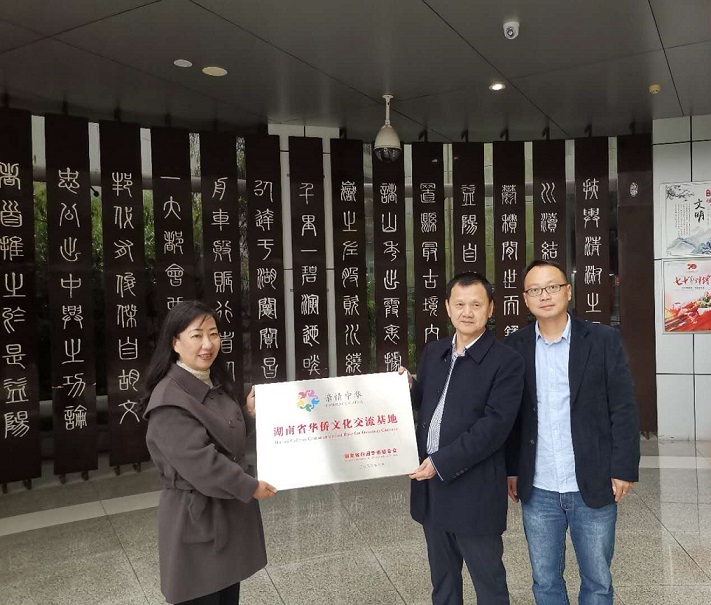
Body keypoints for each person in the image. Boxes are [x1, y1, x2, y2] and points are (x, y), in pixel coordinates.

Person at [505, 260, 640, 605]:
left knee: (597, 581)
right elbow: (511, 417)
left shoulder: (603, 340)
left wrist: (623, 468)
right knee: (545, 580)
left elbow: (623, 407)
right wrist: (512, 469)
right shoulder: (514, 347)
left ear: (568, 291)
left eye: (552, 287)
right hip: (539, 486)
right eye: (535, 290)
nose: (545, 295)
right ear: (525, 299)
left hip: (593, 481)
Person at [399, 272, 525, 605]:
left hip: (475, 491)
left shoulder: (506, 361)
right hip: (432, 489)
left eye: (476, 305)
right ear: (447, 307)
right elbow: (427, 402)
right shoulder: (434, 352)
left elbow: (494, 427)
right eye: (459, 304)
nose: (467, 312)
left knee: (488, 583)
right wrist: (407, 388)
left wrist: (440, 462)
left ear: (491, 309)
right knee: (443, 584)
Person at [142, 300, 276, 605]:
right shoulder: (169, 400)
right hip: (195, 522)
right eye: (197, 335)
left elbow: (225, 437)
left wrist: (249, 414)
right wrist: (250, 486)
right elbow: (202, 463)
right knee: (201, 594)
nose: (208, 344)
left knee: (226, 595)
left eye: (213, 334)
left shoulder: (211, 382)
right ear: (175, 343)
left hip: (225, 514)